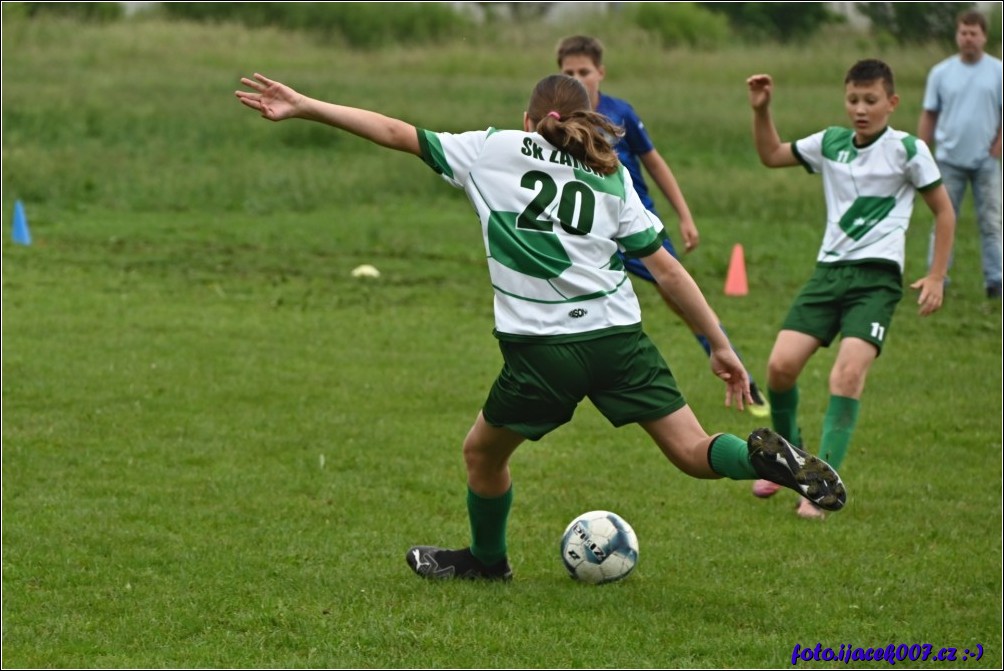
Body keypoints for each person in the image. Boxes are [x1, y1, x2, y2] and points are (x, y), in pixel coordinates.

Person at [235, 72, 847, 580]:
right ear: (584, 118)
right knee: (692, 451)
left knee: (482, 454)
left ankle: (486, 562)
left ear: (529, 119)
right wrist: (720, 345)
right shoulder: (610, 173)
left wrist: (306, 105)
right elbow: (667, 271)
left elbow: (396, 132)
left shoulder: (491, 149)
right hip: (618, 339)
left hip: (544, 351)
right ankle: (763, 461)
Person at [746, 59, 955, 519]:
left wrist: (937, 274)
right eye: (854, 100)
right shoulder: (831, 143)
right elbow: (771, 155)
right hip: (828, 275)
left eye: (871, 101)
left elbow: (943, 211)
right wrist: (762, 110)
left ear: (891, 103)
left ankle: (818, 492)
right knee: (780, 368)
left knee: (846, 376)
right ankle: (790, 462)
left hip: (876, 281)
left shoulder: (908, 149)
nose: (861, 109)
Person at [556, 35, 771, 418]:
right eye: (568, 72)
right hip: (588, 234)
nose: (577, 78)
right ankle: (567, 380)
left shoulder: (620, 113)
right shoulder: (555, 121)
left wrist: (685, 215)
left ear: (600, 72)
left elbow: (655, 163)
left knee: (681, 299)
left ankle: (738, 373)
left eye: (584, 71)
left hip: (636, 229)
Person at [917, 9, 1003, 299]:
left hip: (985, 161)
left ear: (984, 37)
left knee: (991, 222)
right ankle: (937, 278)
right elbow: (930, 113)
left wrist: (997, 147)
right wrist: (921, 150)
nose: (968, 39)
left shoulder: (998, 71)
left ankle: (996, 281)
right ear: (957, 35)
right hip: (948, 160)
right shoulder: (941, 73)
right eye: (963, 33)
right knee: (943, 219)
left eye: (973, 34)